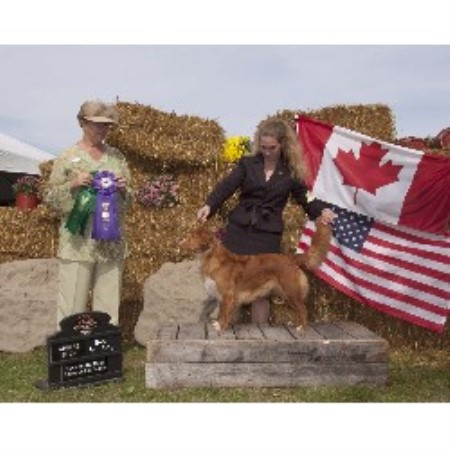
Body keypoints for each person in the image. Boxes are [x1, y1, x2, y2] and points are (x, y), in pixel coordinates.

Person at [197, 117, 336, 324]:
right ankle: (227, 335)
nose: (267, 151)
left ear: (283, 145)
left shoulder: (290, 171)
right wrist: (209, 205)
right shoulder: (247, 164)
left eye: (272, 147)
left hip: (267, 235)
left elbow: (306, 197)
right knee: (230, 287)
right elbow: (226, 186)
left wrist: (321, 210)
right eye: (263, 147)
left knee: (260, 294)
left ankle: (259, 338)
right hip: (239, 231)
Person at [45, 99, 132, 329]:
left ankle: (104, 355)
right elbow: (51, 197)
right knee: (71, 307)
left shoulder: (117, 157)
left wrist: (124, 190)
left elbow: (130, 201)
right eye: (97, 124)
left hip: (110, 244)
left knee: (108, 309)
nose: (102, 129)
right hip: (77, 244)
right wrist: (72, 184)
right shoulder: (66, 157)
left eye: (106, 125)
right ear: (82, 123)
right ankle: (70, 354)